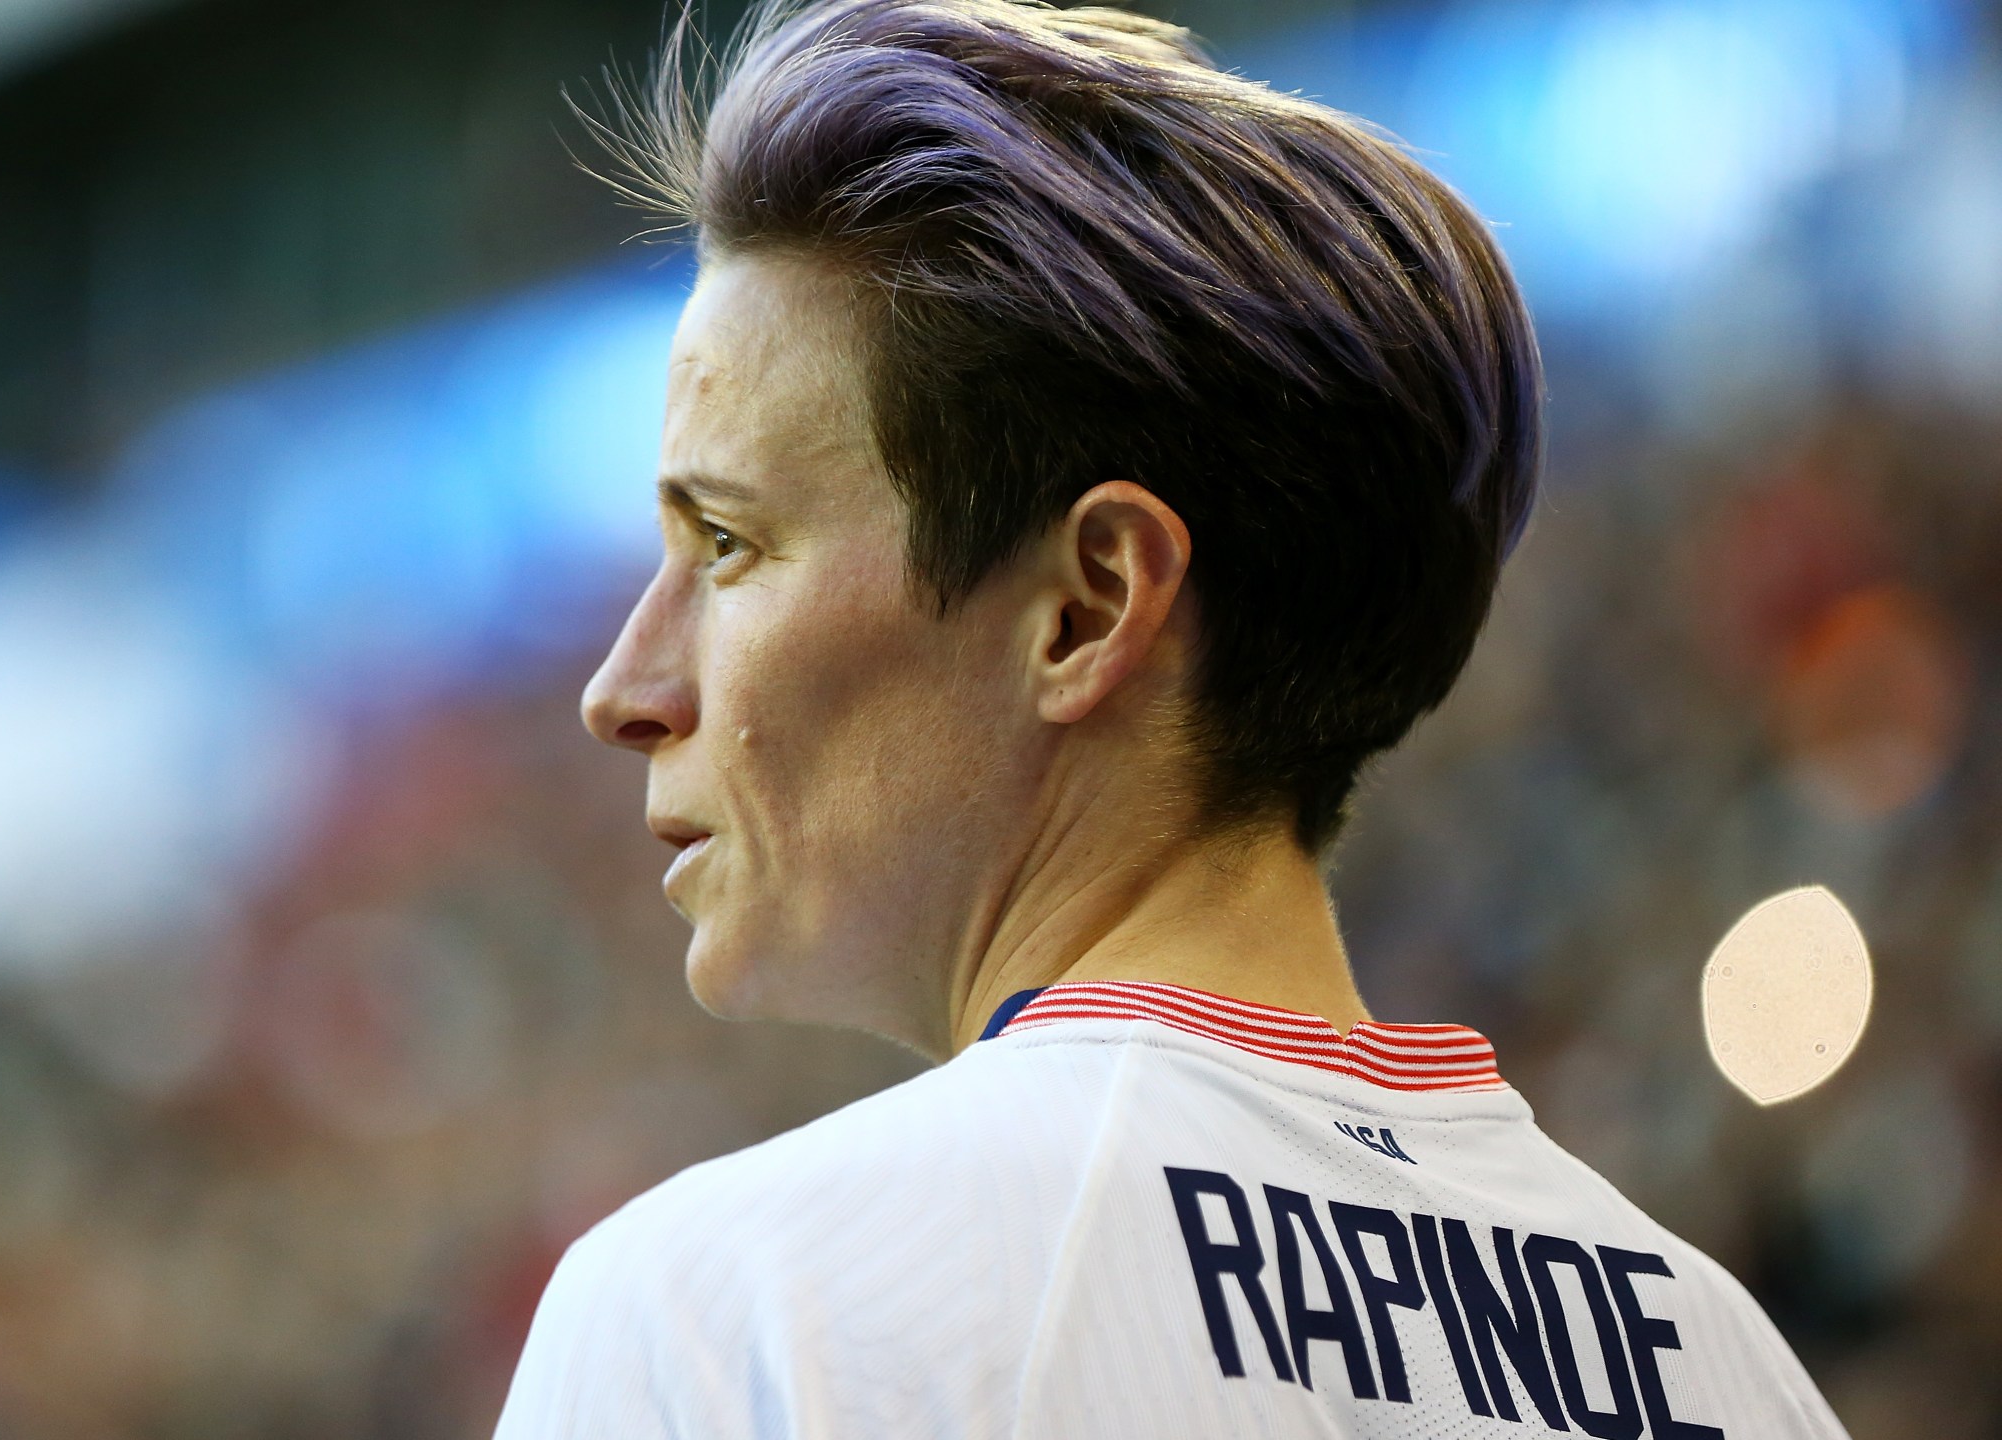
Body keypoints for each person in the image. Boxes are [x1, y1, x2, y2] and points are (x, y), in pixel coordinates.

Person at [495, 1, 1848, 1434]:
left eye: (729, 548)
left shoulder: (726, 1309)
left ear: (1087, 606)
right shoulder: (1730, 1362)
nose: (623, 691)